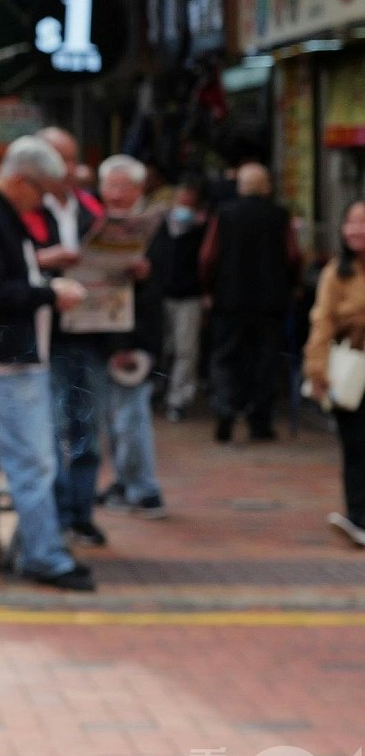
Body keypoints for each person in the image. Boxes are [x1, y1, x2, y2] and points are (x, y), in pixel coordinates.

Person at [0, 135, 94, 592]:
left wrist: (44, 279)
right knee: (32, 465)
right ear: (18, 180)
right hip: (4, 363)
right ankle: (44, 557)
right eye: (40, 190)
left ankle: (34, 550)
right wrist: (51, 293)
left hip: (18, 358)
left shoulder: (0, 215)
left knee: (34, 463)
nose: (43, 200)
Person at [37, 127, 110, 547]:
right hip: (45, 335)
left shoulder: (90, 208)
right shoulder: (27, 208)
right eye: (55, 159)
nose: (65, 169)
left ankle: (81, 511)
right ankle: (58, 512)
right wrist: (50, 260)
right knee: (48, 431)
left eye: (69, 159)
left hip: (89, 332)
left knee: (86, 429)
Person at [200, 162, 301, 443]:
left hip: (229, 299)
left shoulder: (224, 214)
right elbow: (294, 256)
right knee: (265, 359)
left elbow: (208, 257)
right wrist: (293, 285)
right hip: (270, 300)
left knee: (225, 357)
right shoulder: (280, 215)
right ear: (267, 186)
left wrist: (208, 289)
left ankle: (225, 411)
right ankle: (260, 421)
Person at [93, 155, 167, 521]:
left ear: (139, 189)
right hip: (99, 332)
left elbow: (165, 284)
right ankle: (124, 482)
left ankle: (143, 489)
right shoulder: (93, 222)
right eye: (111, 185)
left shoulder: (154, 228)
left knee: (130, 417)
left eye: (125, 187)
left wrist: (147, 275)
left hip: (135, 335)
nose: (116, 194)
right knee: (112, 418)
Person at [305, 201, 365, 548]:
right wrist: (316, 368)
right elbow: (321, 321)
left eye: (362, 224)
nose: (356, 230)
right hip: (351, 368)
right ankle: (357, 516)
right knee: (355, 445)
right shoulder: (336, 272)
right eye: (351, 223)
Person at [147, 176, 208, 421]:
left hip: (188, 296)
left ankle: (178, 399)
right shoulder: (158, 226)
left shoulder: (202, 230)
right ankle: (157, 390)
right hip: (160, 295)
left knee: (186, 350)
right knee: (161, 346)